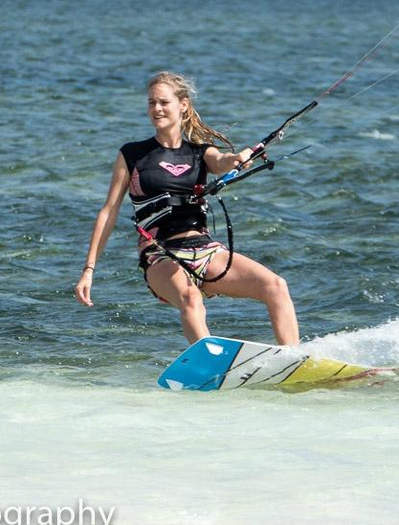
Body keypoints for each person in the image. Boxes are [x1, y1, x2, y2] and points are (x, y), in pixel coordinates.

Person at [74, 71, 300, 346]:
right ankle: (210, 366)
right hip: (160, 253)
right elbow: (108, 211)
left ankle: (293, 360)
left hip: (205, 250)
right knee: (191, 298)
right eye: (151, 103)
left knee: (275, 286)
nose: (156, 109)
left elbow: (222, 161)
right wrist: (89, 269)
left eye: (163, 102)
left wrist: (238, 158)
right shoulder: (132, 154)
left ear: (183, 105)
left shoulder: (199, 152)